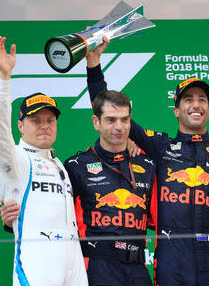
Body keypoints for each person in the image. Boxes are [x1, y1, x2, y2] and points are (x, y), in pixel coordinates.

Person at [85, 37, 209, 286]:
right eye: (188, 99)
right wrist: (94, 65)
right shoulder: (160, 146)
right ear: (176, 110)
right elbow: (105, 105)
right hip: (172, 261)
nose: (196, 105)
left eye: (202, 99)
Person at [0, 36, 88, 286]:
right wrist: (4, 78)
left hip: (72, 262)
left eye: (49, 120)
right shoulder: (16, 159)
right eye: (35, 120)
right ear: (20, 126)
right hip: (38, 264)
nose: (44, 126)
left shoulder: (59, 164)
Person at [63, 89, 156, 286]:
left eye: (125, 120)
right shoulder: (76, 166)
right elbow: (54, 215)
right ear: (96, 122)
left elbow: (166, 211)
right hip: (97, 267)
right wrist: (14, 220)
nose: (119, 127)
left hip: (138, 268)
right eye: (111, 120)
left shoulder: (147, 164)